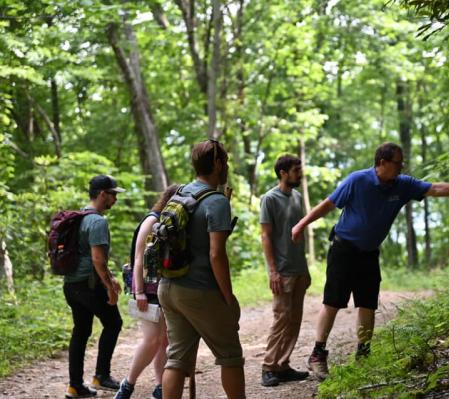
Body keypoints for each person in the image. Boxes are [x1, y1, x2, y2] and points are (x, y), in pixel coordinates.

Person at [291, 142, 449, 380]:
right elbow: (328, 204)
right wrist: (302, 224)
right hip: (343, 249)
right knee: (333, 302)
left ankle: (364, 356)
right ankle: (317, 354)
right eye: (398, 162)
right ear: (382, 163)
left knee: (367, 304)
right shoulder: (357, 180)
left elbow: (435, 188)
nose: (401, 167)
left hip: (369, 253)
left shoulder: (403, 185)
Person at [158, 140, 245, 399]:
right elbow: (216, 254)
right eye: (226, 162)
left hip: (168, 288)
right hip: (199, 291)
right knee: (230, 355)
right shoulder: (217, 201)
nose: (226, 167)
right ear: (218, 164)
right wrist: (228, 298)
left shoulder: (180, 193)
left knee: (176, 359)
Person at [114, 184, 180, 399]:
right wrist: (140, 291)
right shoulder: (152, 220)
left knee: (165, 341)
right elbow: (139, 257)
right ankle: (127, 385)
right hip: (146, 288)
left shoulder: (167, 222)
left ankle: (161, 388)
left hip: (162, 286)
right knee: (152, 339)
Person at [64, 175, 125, 398]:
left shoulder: (80, 215)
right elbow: (98, 259)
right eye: (113, 194)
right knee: (114, 323)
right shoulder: (98, 221)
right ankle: (101, 376)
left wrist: (109, 277)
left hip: (72, 285)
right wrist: (109, 286)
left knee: (81, 331)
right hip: (90, 286)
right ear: (102, 194)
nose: (115, 199)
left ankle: (75, 386)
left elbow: (89, 256)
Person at [259, 155, 311, 387]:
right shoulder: (269, 199)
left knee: (295, 320)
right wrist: (273, 271)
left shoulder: (298, 197)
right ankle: (268, 367)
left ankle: (283, 365)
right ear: (283, 172)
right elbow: (266, 236)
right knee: (281, 319)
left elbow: (300, 234)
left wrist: (306, 268)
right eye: (295, 170)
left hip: (299, 269)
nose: (299, 173)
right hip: (282, 271)